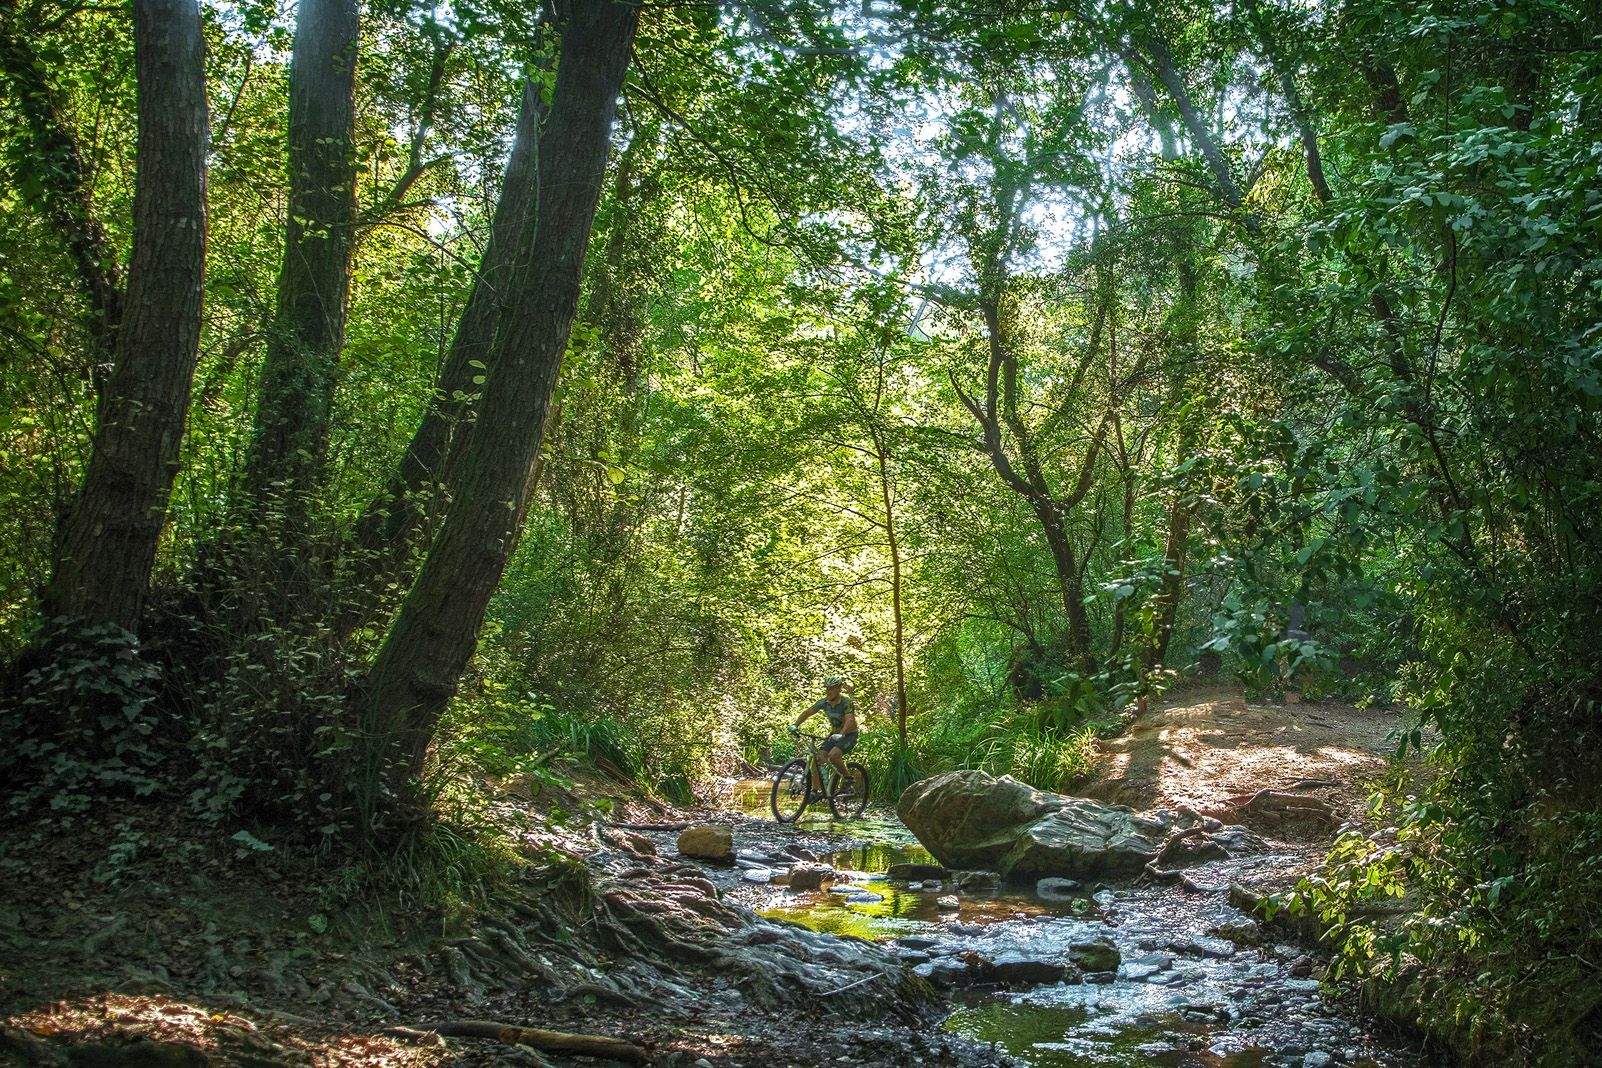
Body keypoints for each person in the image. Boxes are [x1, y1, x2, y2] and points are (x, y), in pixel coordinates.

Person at [790, 676, 858, 791]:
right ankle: (816, 791)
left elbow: (850, 721)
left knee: (833, 756)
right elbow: (808, 712)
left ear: (839, 689)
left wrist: (841, 734)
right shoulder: (824, 702)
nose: (828, 691)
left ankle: (848, 778)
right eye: (827, 689)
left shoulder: (846, 702)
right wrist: (795, 725)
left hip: (849, 735)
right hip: (834, 735)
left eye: (832, 689)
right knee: (817, 758)